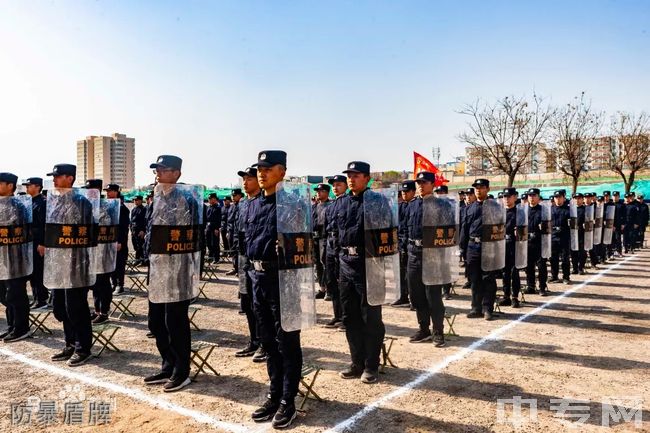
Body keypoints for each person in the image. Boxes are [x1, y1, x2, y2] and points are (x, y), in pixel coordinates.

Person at [245, 150, 302, 428]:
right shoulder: (253, 204)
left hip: (283, 281)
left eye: (268, 168)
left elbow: (303, 246)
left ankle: (288, 400)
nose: (261, 173)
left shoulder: (292, 204)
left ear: (282, 171)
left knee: (287, 342)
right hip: (258, 281)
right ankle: (275, 392)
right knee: (267, 341)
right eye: (259, 168)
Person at [143, 155, 201, 393]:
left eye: (164, 169)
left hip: (178, 269)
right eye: (157, 169)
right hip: (157, 268)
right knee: (155, 321)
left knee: (174, 321)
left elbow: (196, 238)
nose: (158, 173)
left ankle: (181, 370)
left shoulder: (187, 199)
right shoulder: (155, 198)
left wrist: (195, 271)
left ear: (176, 173)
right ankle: (167, 363)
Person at [335, 161, 386, 383]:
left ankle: (371, 365)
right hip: (346, 264)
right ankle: (357, 362)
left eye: (356, 175)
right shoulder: (341, 203)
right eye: (349, 175)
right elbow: (334, 233)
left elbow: (388, 233)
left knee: (371, 318)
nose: (351, 179)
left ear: (367, 178)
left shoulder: (378, 202)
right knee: (350, 317)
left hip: (370, 265)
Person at [45, 163, 95, 366]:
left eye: (58, 177)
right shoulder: (55, 202)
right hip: (59, 262)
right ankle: (70, 343)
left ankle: (83, 347)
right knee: (60, 307)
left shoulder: (81, 202)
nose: (55, 180)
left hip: (76, 263)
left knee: (76, 306)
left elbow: (87, 233)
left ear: (69, 178)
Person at [405, 171, 447, 346]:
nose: (421, 186)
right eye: (419, 183)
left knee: (433, 296)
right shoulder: (412, 205)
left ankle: (438, 331)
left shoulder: (440, 205)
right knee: (416, 295)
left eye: (424, 182)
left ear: (432, 184)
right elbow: (405, 227)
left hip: (432, 256)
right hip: (414, 253)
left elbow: (447, 232)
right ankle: (424, 329)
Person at [234, 167, 267, 363]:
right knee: (246, 302)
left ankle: (264, 343)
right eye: (244, 179)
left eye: (249, 179)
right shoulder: (243, 204)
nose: (245, 182)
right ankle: (254, 340)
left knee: (259, 304)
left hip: (258, 259)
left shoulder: (263, 202)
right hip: (244, 258)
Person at [460, 179, 500, 320]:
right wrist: (463, 250)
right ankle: (476, 308)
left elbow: (499, 229)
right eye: (476, 187)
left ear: (488, 189)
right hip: (472, 247)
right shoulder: (469, 208)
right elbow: (464, 230)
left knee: (488, 278)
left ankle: (488, 308)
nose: (478, 190)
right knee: (475, 279)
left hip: (489, 246)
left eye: (481, 187)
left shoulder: (495, 207)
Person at [0, 172, 32, 342]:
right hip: (3, 259)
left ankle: (21, 328)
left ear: (10, 186)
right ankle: (12, 325)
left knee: (16, 294)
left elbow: (22, 232)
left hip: (16, 259)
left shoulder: (17, 207)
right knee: (5, 294)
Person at [84, 179, 114, 324]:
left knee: (103, 282)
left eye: (91, 189)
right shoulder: (87, 205)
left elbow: (106, 227)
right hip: (91, 251)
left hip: (102, 250)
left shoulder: (104, 206)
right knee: (95, 283)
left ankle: (104, 312)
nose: (89, 192)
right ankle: (96, 310)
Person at [322, 175, 348, 328]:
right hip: (330, 246)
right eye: (334, 185)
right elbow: (327, 229)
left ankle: (346, 316)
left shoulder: (347, 203)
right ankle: (337, 315)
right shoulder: (331, 206)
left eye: (339, 185)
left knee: (343, 284)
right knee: (331, 282)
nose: (335, 187)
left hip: (341, 246)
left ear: (345, 186)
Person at [22, 177, 48, 308]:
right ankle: (37, 297)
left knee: (38, 271)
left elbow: (45, 225)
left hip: (39, 242)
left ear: (37, 187)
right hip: (30, 242)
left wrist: (43, 243)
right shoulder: (30, 202)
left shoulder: (43, 202)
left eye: (29, 185)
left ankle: (42, 299)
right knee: (32, 271)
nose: (27, 188)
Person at [395, 180, 416, 307]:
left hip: (412, 244)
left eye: (407, 191)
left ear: (413, 192)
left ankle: (414, 299)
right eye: (403, 192)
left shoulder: (417, 206)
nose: (404, 194)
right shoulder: (400, 207)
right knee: (400, 272)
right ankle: (403, 296)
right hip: (401, 243)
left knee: (412, 275)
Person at [524, 188, 548, 296]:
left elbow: (548, 227)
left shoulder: (543, 210)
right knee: (529, 266)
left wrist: (545, 226)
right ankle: (531, 286)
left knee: (541, 266)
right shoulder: (523, 210)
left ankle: (542, 287)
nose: (531, 198)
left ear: (538, 197)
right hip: (527, 242)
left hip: (540, 242)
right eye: (530, 196)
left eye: (534, 195)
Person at [500, 187, 521, 307]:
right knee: (504, 272)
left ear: (515, 197)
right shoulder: (499, 212)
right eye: (505, 197)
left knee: (514, 272)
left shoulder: (519, 212)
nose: (506, 199)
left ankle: (515, 297)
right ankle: (506, 295)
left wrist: (519, 232)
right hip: (502, 245)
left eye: (509, 196)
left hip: (515, 245)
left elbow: (524, 230)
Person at [312, 183, 331, 298]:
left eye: (321, 191)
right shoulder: (313, 207)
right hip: (314, 238)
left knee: (325, 263)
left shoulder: (330, 205)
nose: (318, 193)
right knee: (317, 264)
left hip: (325, 238)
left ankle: (329, 289)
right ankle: (322, 288)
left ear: (327, 193)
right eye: (317, 191)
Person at [549, 190, 571, 285]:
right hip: (553, 237)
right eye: (556, 197)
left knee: (565, 258)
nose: (558, 199)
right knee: (553, 258)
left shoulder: (568, 210)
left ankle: (566, 277)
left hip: (564, 237)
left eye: (560, 197)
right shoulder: (550, 209)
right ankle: (554, 276)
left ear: (563, 198)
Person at [226, 189, 243, 276]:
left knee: (239, 251)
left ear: (240, 195)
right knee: (233, 250)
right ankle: (235, 267)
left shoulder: (243, 204)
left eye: (235, 195)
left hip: (239, 231)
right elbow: (229, 219)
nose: (233, 197)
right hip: (231, 231)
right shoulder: (232, 206)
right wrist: (228, 231)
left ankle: (240, 269)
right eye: (232, 196)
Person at [205, 193, 222, 263]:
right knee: (208, 243)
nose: (209, 200)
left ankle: (216, 258)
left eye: (211, 199)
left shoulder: (218, 208)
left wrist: (217, 228)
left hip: (214, 228)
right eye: (209, 199)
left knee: (215, 243)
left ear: (214, 199)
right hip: (208, 227)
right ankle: (210, 256)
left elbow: (218, 219)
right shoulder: (208, 207)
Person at [130, 195, 147, 264]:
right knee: (135, 245)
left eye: (137, 200)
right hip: (134, 229)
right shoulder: (134, 209)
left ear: (140, 200)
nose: (135, 201)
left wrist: (143, 230)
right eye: (134, 200)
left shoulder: (143, 209)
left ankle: (140, 260)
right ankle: (138, 259)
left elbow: (144, 221)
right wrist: (131, 230)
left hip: (140, 230)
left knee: (140, 245)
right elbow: (132, 220)